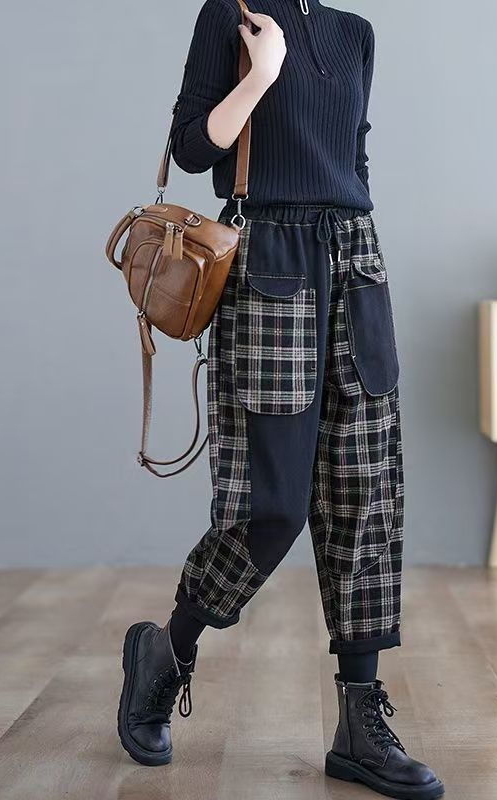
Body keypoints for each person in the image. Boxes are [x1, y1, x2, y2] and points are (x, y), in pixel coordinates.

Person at [117, 1, 443, 797]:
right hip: (270, 263)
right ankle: (168, 649)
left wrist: (351, 232)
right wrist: (261, 74)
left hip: (356, 261)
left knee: (365, 492)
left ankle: (359, 721)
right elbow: (194, 149)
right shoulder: (231, 16)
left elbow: (353, 157)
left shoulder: (355, 34)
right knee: (272, 507)